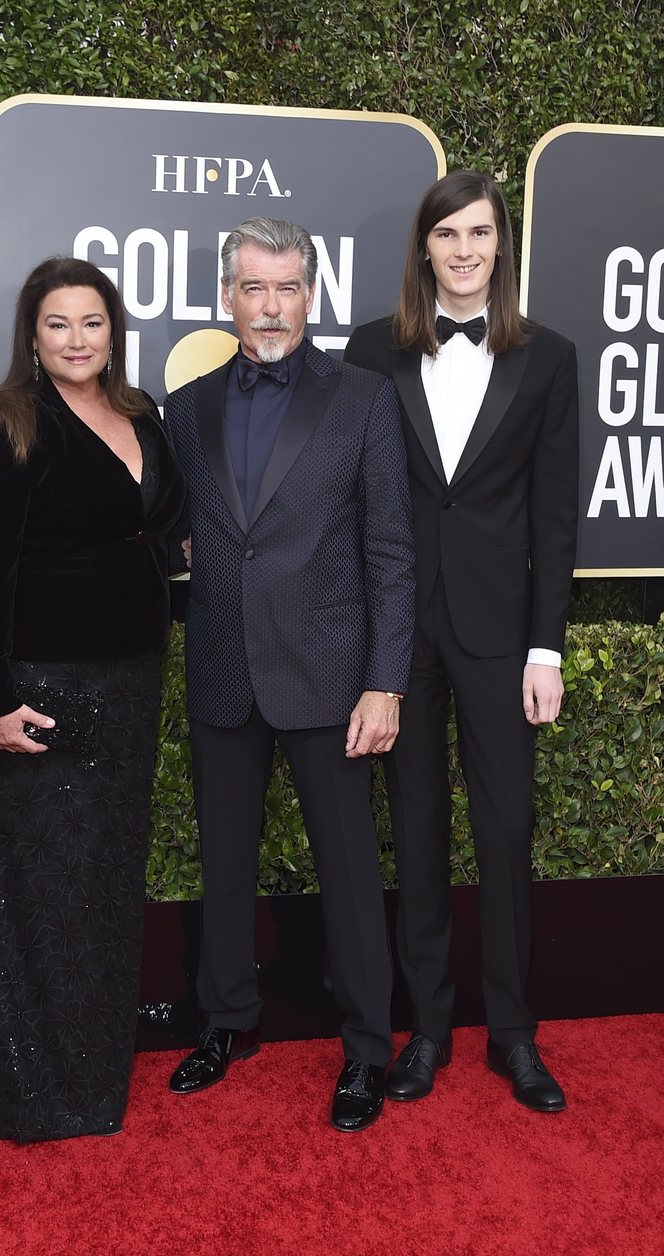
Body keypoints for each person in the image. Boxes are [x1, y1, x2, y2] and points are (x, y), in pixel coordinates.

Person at [0, 257, 186, 1141]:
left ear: (114, 331)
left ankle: (88, 1068)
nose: (77, 340)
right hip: (42, 688)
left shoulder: (143, 413)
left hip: (132, 680)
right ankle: (12, 1081)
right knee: (31, 888)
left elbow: (160, 525)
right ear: (31, 334)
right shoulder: (5, 422)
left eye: (92, 323)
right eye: (58, 324)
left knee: (102, 884)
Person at [163, 217, 416, 1132]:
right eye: (254, 288)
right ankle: (226, 1018)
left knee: (348, 869)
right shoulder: (184, 408)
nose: (271, 306)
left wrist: (385, 680)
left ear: (312, 295)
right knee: (223, 859)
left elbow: (391, 549)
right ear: (227, 296)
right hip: (226, 663)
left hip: (330, 671)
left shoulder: (363, 398)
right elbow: (171, 524)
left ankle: (365, 1049)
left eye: (288, 288)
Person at [344, 170, 579, 1112]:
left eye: (480, 232)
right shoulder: (371, 352)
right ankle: (430, 1030)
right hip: (400, 629)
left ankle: (515, 1034)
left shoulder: (550, 358)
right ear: (425, 248)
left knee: (506, 826)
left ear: (500, 245)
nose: (466, 249)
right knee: (419, 828)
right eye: (448, 234)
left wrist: (547, 648)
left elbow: (556, 517)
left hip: (497, 634)